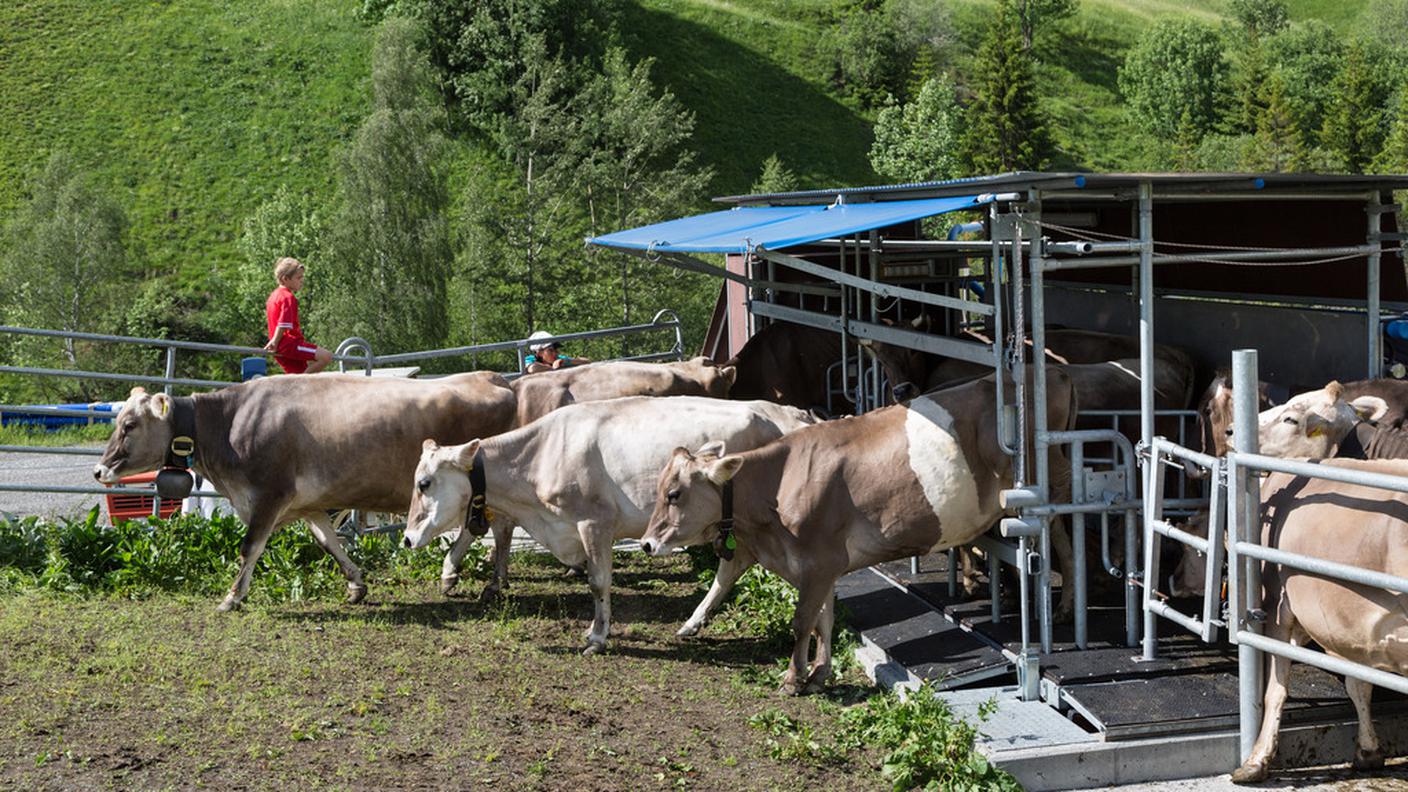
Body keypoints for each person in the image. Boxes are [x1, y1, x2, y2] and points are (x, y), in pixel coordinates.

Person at [263, 257, 333, 374]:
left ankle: (299, 384)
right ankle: (302, 383)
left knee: (297, 375)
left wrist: (275, 342)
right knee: (326, 356)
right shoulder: (288, 297)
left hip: (281, 345)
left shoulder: (273, 296)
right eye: (298, 278)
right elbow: (283, 323)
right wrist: (275, 342)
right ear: (285, 279)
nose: (302, 281)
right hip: (289, 344)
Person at [524, 330, 591, 374]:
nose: (555, 353)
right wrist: (553, 368)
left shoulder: (560, 359)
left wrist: (566, 362)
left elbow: (587, 361)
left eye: (556, 349)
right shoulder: (530, 359)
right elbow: (532, 369)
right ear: (539, 352)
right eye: (550, 350)